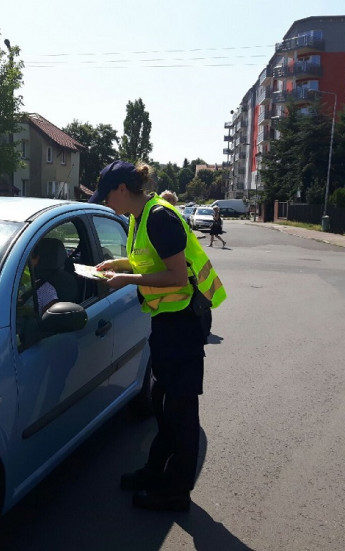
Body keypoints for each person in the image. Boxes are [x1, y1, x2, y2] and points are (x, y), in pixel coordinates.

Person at [89, 159, 226, 512]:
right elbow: (149, 263)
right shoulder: (139, 217)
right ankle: (156, 470)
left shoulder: (159, 217)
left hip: (183, 324)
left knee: (181, 411)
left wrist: (127, 281)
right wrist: (117, 266)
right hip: (166, 323)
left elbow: (177, 277)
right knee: (165, 405)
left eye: (107, 196)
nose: (106, 203)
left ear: (122, 189)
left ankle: (176, 491)